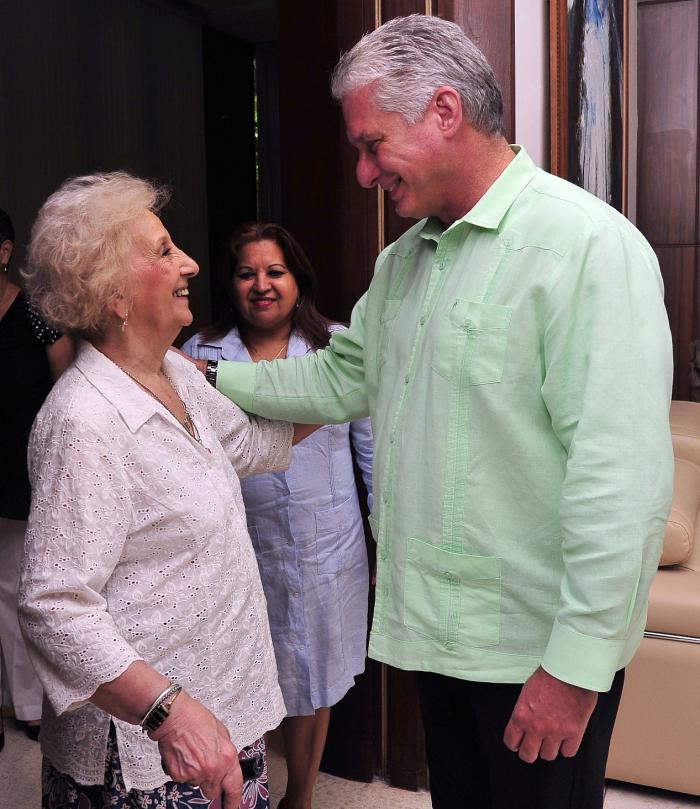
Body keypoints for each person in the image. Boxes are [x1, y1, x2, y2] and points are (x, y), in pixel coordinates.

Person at [195, 14, 674, 809]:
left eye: (372, 144)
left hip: (535, 656)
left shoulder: (585, 248)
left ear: (445, 112)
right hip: (439, 642)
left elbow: (620, 479)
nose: (361, 171)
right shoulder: (404, 260)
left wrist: (578, 664)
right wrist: (206, 382)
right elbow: (343, 377)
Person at [17, 172, 317, 809]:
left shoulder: (175, 371)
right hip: (150, 753)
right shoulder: (83, 422)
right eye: (162, 250)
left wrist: (363, 377)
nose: (190, 263)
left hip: (227, 713)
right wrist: (170, 714)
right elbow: (54, 606)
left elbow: (256, 444)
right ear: (114, 291)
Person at [182, 222, 373, 809]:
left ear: (298, 280)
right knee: (244, 673)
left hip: (329, 547)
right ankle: (251, 789)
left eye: (275, 272)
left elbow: (371, 450)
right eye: (247, 273)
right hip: (241, 549)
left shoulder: (337, 347)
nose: (261, 285)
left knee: (318, 673)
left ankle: (303, 796)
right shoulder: (197, 356)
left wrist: (389, 538)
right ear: (230, 284)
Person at [0, 208, 73, 752]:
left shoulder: (35, 313)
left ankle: (28, 706)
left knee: (16, 589)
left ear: (5, 252)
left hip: (20, 473)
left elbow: (67, 389)